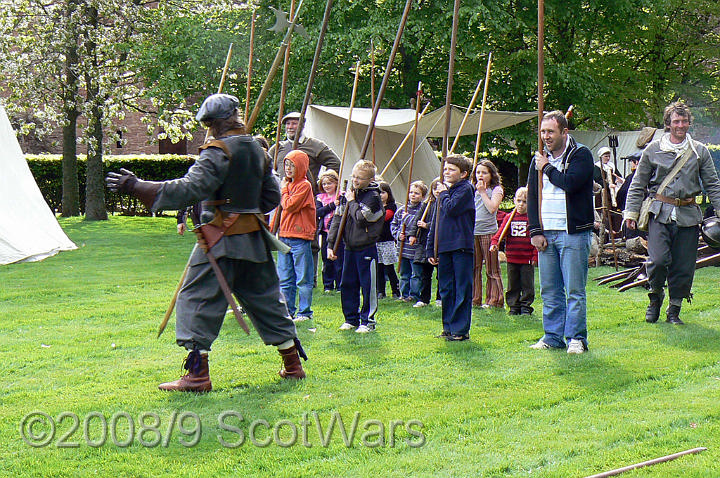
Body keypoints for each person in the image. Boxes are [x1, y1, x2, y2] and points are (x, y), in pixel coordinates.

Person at [105, 93, 306, 391]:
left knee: (196, 298)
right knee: (266, 299)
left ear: (213, 123)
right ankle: (293, 365)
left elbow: (191, 188)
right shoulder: (257, 149)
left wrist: (137, 186)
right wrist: (245, 209)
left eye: (209, 124)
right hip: (254, 240)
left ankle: (197, 376)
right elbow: (272, 197)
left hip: (219, 239)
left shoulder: (218, 150)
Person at [624, 101, 720, 325]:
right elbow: (638, 183)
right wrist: (631, 212)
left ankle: (674, 309)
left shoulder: (700, 151)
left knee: (683, 266)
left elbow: (713, 185)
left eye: (684, 121)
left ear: (689, 123)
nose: (681, 125)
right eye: (676, 121)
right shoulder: (653, 150)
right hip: (659, 213)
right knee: (658, 261)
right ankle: (655, 296)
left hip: (688, 215)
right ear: (668, 123)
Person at [527, 110, 595, 355]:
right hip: (547, 233)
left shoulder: (581, 155)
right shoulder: (538, 160)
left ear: (564, 132)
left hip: (573, 233)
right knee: (550, 289)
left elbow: (570, 183)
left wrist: (546, 168)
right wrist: (535, 230)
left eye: (551, 132)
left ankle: (576, 338)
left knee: (574, 290)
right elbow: (532, 197)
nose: (546, 137)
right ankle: (553, 336)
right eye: (543, 132)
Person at [327, 160, 384, 333]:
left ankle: (368, 321)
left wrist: (352, 202)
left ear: (370, 179)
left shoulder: (374, 197)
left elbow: (362, 219)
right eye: (354, 176)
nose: (355, 180)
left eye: (360, 178)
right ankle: (350, 318)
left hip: (366, 246)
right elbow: (337, 219)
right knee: (348, 283)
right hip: (349, 247)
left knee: (368, 285)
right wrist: (331, 244)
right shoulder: (349, 194)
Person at [426, 155, 475, 341]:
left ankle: (460, 329)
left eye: (451, 169)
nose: (446, 172)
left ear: (463, 174)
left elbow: (452, 208)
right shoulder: (444, 193)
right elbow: (436, 221)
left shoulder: (465, 190)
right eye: (445, 169)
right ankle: (448, 326)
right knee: (446, 288)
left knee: (461, 287)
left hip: (460, 245)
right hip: (445, 246)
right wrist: (432, 248)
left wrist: (443, 194)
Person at [277, 150, 317, 323]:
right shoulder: (287, 185)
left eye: (292, 165)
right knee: (285, 277)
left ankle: (305, 312)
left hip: (299, 236)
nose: (288, 168)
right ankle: (287, 311)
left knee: (303, 278)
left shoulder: (303, 186)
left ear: (300, 167)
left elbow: (289, 205)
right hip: (284, 235)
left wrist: (284, 190)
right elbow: (280, 211)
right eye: (286, 164)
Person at [490, 187, 537, 315]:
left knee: (527, 284)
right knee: (513, 284)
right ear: (514, 200)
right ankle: (513, 306)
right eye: (519, 201)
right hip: (512, 257)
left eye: (525, 202)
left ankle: (526, 306)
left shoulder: (532, 218)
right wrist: (495, 243)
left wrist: (534, 256)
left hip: (526, 258)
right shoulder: (509, 217)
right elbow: (501, 233)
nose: (521, 204)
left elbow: (535, 239)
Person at [269, 112, 341, 193]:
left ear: (302, 125)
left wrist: (322, 183)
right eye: (288, 124)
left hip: (306, 195)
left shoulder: (315, 145)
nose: (290, 127)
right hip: (283, 196)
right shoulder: (278, 147)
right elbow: (266, 168)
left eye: (294, 124)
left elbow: (335, 163)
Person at [471, 160, 505, 308]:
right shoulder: (472, 189)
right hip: (473, 231)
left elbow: (492, 208)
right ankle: (474, 298)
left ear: (491, 174)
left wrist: (483, 192)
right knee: (474, 267)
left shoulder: (496, 190)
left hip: (488, 232)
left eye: (484, 173)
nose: (481, 175)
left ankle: (494, 300)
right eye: (478, 172)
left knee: (491, 268)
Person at [392, 180, 427, 305]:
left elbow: (415, 223)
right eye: (411, 192)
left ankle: (414, 295)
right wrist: (397, 235)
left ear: (423, 196)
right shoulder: (402, 209)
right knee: (404, 273)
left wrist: (406, 218)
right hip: (403, 247)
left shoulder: (423, 210)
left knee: (415, 274)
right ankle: (404, 294)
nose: (413, 195)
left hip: (415, 249)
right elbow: (394, 224)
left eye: (417, 193)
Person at [408, 178, 442, 307]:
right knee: (425, 274)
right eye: (434, 189)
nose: (437, 191)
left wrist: (427, 225)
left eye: (439, 188)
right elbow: (417, 219)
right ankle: (424, 299)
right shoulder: (427, 204)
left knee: (441, 274)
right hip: (425, 242)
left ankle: (440, 298)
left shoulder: (444, 204)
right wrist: (412, 234)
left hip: (439, 242)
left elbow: (441, 224)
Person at [316, 170, 343, 292]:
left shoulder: (341, 196)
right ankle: (328, 285)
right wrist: (332, 205)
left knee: (338, 260)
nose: (327, 186)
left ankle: (340, 284)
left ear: (336, 184)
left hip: (338, 234)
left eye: (330, 183)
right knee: (326, 260)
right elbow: (318, 212)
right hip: (326, 232)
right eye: (325, 184)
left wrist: (339, 203)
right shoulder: (320, 198)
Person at [375, 181, 401, 299]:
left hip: (387, 241)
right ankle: (380, 290)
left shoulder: (391, 206)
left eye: (383, 192)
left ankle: (395, 289)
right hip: (377, 241)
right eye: (378, 193)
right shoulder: (375, 207)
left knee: (389, 267)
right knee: (379, 268)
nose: (381, 195)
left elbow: (384, 217)